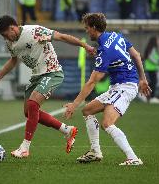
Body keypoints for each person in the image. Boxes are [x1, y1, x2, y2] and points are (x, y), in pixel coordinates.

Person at [0, 15, 94, 158]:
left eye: (6, 34)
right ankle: (67, 130)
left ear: (12, 28)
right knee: (29, 112)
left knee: (33, 104)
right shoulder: (10, 43)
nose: (5, 38)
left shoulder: (34, 31)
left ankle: (25, 148)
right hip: (36, 76)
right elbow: (13, 61)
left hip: (52, 72)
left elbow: (61, 37)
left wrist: (85, 45)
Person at [64, 13, 151, 165]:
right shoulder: (116, 36)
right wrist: (142, 78)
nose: (86, 31)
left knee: (107, 123)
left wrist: (73, 104)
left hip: (125, 86)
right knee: (88, 110)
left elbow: (92, 82)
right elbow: (136, 55)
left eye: (87, 28)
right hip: (119, 86)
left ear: (94, 28)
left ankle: (133, 158)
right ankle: (95, 151)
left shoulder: (104, 50)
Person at [144, 36, 159, 103]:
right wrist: (158, 63)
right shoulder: (153, 48)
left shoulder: (151, 48)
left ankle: (148, 96)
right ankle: (151, 97)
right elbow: (150, 57)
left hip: (151, 68)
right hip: (151, 68)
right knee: (153, 83)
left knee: (152, 83)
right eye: (158, 40)